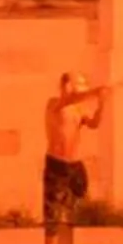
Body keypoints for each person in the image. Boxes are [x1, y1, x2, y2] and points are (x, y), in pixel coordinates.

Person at [42, 73, 107, 226]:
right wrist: (95, 92)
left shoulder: (78, 109)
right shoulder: (54, 103)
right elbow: (70, 99)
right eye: (78, 83)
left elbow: (93, 124)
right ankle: (54, 238)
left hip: (75, 163)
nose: (82, 87)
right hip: (56, 162)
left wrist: (102, 103)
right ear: (66, 86)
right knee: (53, 209)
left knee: (80, 200)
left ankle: (75, 229)